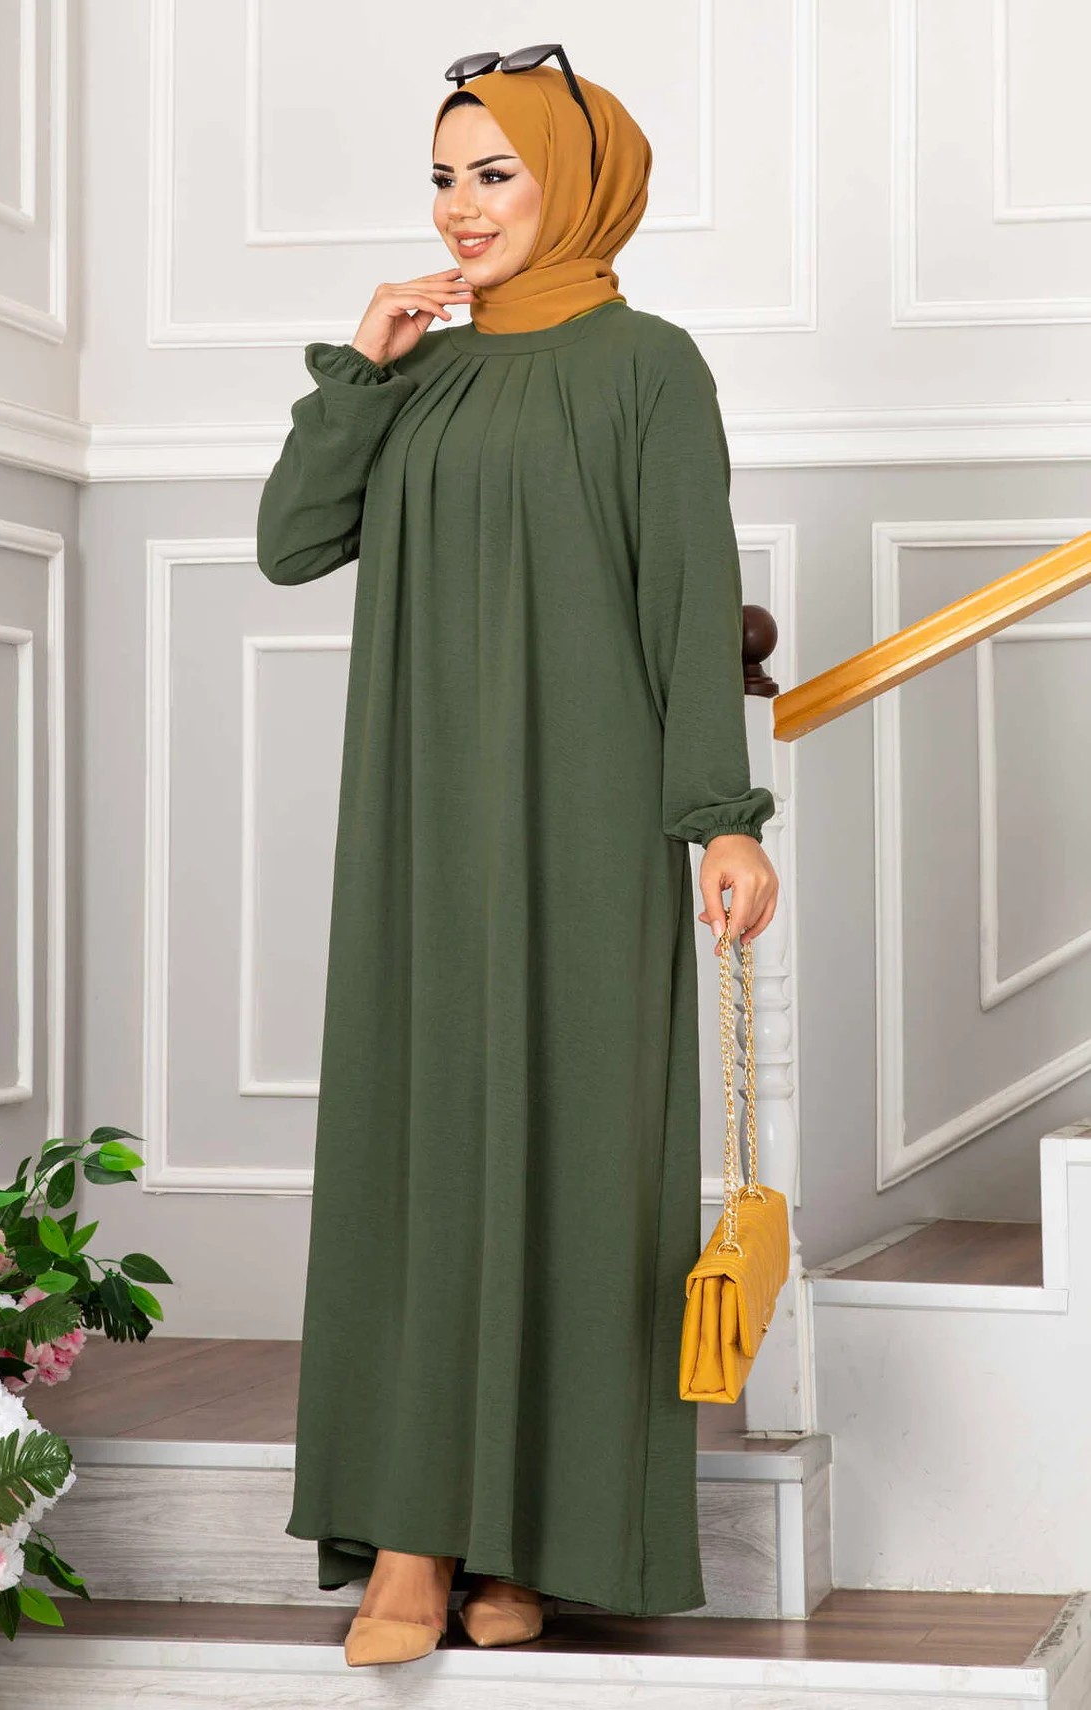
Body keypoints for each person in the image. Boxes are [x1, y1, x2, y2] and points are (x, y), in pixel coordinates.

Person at [256, 52, 779, 1669]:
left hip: (590, 819)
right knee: (425, 1156)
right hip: (419, 819)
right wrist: (360, 368)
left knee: (575, 1167)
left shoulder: (650, 367)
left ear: (576, 179)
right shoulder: (417, 374)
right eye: (442, 176)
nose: (460, 209)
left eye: (494, 172)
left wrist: (723, 816)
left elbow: (689, 594)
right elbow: (290, 543)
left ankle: (528, 1543)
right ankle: (416, 1536)